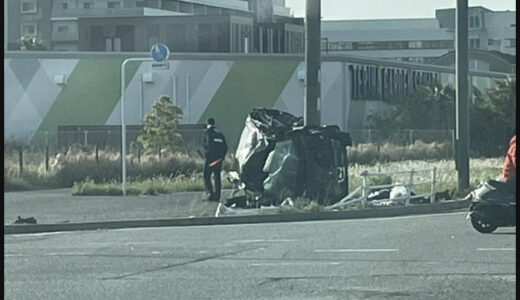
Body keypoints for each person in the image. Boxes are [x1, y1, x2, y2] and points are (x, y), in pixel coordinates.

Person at [202, 118, 228, 202]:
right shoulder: (220, 133)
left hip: (210, 159)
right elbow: (225, 146)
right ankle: (217, 196)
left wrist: (207, 155)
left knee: (206, 176)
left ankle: (210, 194)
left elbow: (206, 145)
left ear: (208, 124)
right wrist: (222, 157)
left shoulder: (208, 132)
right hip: (219, 159)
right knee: (217, 176)